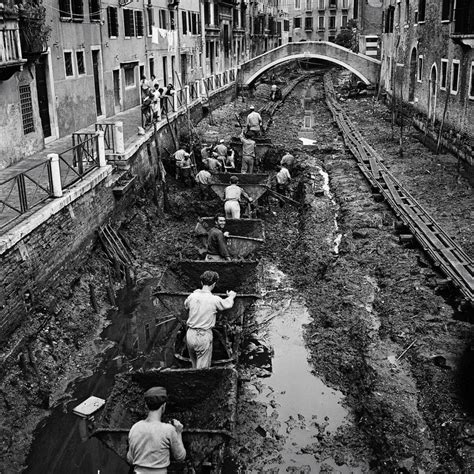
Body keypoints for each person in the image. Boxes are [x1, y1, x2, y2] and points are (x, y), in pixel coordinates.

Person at [127, 386, 186, 473]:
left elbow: (130, 460)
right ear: (163, 406)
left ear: (146, 406)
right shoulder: (168, 430)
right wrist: (178, 433)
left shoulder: (135, 427)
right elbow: (180, 457)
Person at [184, 271, 236, 369]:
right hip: (203, 336)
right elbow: (227, 304)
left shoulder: (192, 296)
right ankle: (200, 383)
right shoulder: (214, 299)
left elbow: (186, 305)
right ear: (214, 284)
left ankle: (193, 381)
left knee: (194, 365)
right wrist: (231, 296)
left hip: (190, 334)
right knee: (202, 371)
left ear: (201, 282)